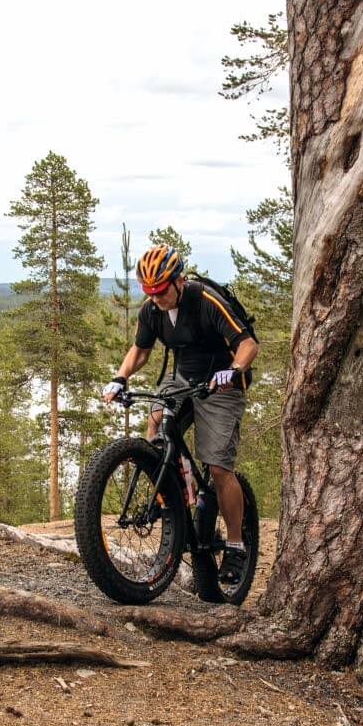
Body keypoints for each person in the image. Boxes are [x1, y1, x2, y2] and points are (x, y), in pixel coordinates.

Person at [102, 244, 259, 583]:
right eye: (149, 292)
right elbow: (140, 350)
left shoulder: (205, 301)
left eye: (160, 290)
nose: (156, 297)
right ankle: (171, 491)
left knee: (218, 467)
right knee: (156, 426)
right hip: (183, 379)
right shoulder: (152, 310)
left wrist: (233, 370)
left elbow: (248, 344)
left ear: (178, 280)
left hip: (222, 383)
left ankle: (235, 546)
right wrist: (120, 377)